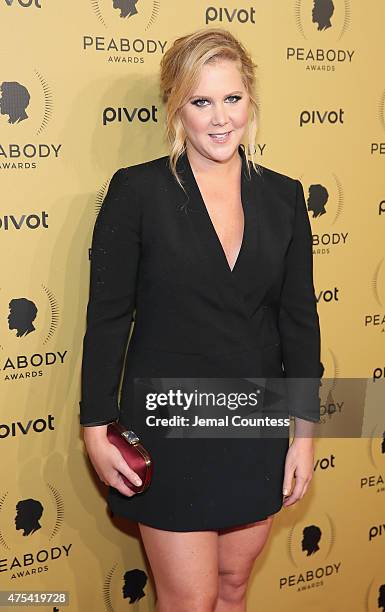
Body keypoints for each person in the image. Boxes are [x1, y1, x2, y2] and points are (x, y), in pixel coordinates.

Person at [79, 27, 324, 612]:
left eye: (232, 99)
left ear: (251, 102)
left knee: (235, 587)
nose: (220, 119)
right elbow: (108, 319)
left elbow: (300, 326)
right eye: (201, 101)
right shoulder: (137, 191)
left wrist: (305, 436)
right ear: (176, 108)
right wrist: (95, 428)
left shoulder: (284, 198)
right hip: (168, 426)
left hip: (254, 426)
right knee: (190, 599)